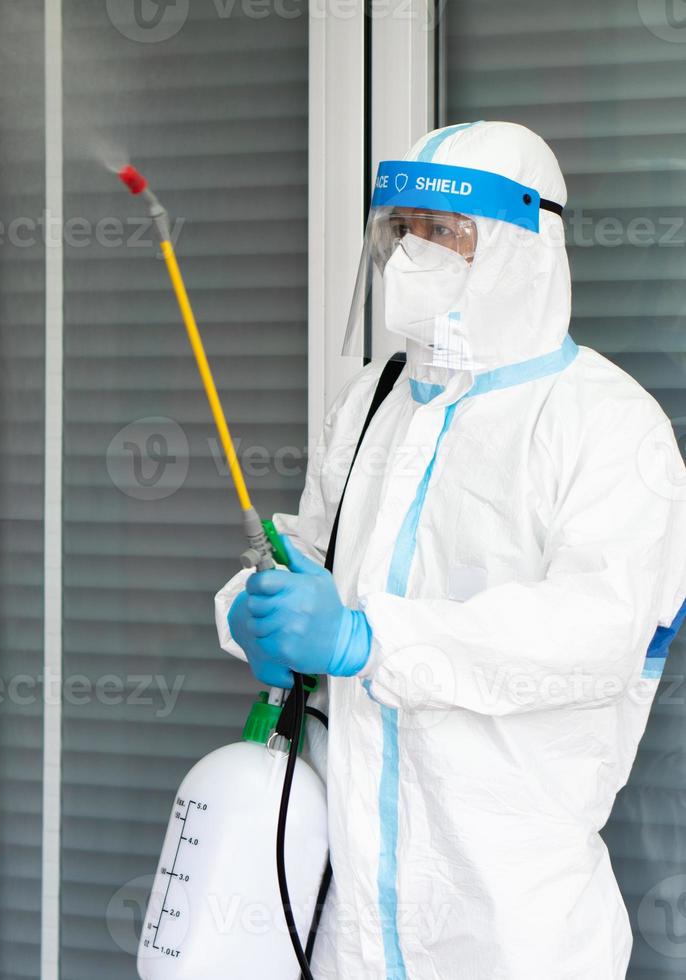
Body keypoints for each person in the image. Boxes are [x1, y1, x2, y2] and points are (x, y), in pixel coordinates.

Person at [215, 120, 686, 978]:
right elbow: (310, 556)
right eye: (401, 230)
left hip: (511, 927)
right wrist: (253, 611)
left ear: (523, 245)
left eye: (443, 231)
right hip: (346, 916)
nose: (412, 253)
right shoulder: (375, 401)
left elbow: (592, 638)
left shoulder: (610, 427)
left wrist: (368, 641)